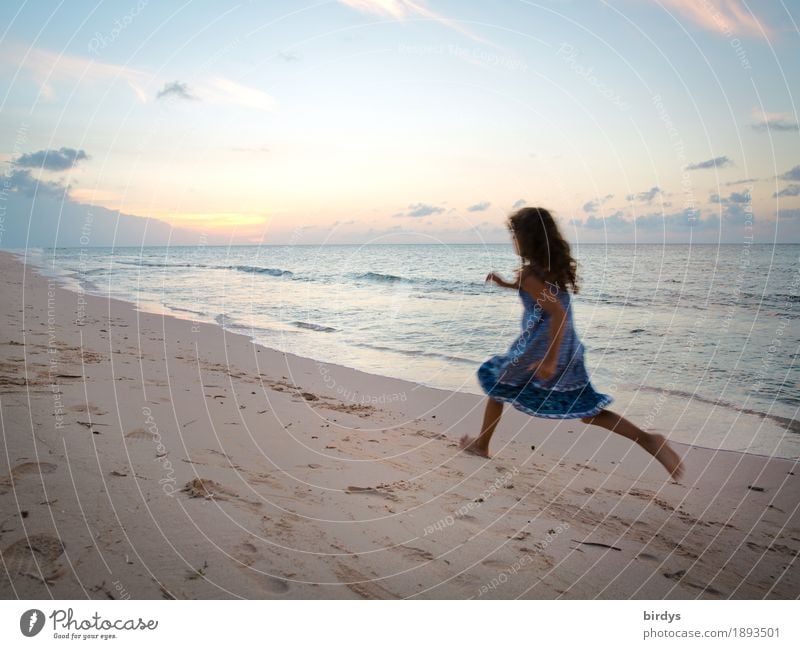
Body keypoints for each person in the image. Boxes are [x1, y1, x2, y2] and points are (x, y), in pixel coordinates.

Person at [460, 207, 684, 480]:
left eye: (515, 235)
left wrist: (550, 361)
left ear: (528, 238)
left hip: (542, 348)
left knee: (496, 381)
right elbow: (544, 300)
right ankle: (647, 439)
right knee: (588, 411)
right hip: (569, 347)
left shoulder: (532, 276)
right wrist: (506, 284)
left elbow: (557, 313)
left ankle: (482, 445)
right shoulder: (545, 271)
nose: (513, 241)